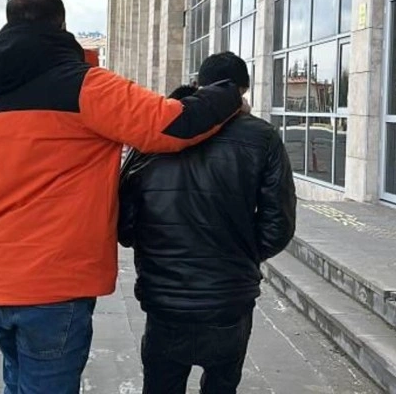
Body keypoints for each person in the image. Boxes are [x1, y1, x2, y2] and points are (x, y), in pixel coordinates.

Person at [0, 0, 245, 393]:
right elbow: (173, 125)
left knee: (19, 381)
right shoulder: (83, 86)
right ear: (61, 25)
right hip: (50, 280)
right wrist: (229, 94)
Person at [119, 52, 297, 394]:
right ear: (241, 92)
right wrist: (241, 254)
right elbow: (278, 226)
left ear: (198, 85)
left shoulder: (156, 133)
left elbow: (124, 224)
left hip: (165, 297)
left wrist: (158, 252)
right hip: (229, 298)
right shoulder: (263, 137)